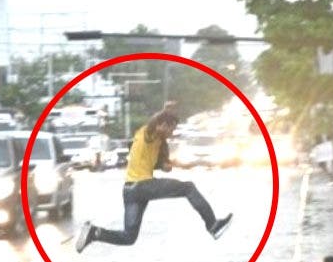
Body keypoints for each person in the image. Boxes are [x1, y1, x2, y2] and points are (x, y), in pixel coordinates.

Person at [74, 108, 232, 253]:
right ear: (161, 125)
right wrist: (164, 111)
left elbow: (161, 165)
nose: (172, 133)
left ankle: (94, 233)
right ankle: (212, 225)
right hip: (143, 186)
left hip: (130, 191)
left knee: (129, 237)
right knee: (188, 188)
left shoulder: (159, 143)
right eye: (171, 128)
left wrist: (166, 165)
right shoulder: (147, 133)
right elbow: (153, 124)